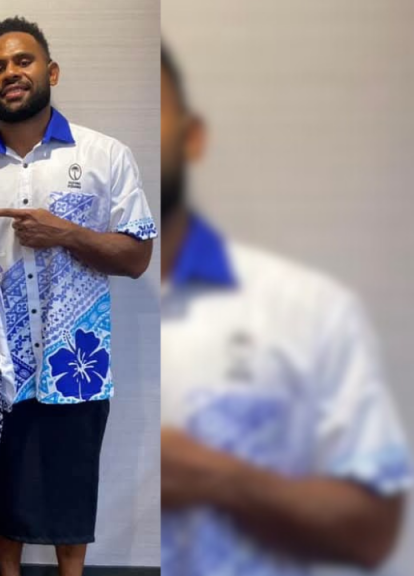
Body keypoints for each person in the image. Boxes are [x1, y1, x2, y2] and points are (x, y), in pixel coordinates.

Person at [160, 43, 410, 575]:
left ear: (192, 135)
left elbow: (374, 528)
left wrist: (220, 479)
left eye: (150, 107)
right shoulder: (60, 316)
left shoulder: (310, 310)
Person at [0, 16, 155, 576]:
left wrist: (67, 234)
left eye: (23, 61)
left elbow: (137, 257)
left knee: (71, 486)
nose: (10, 73)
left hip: (76, 360)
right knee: (4, 484)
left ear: (50, 72)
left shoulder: (105, 156)